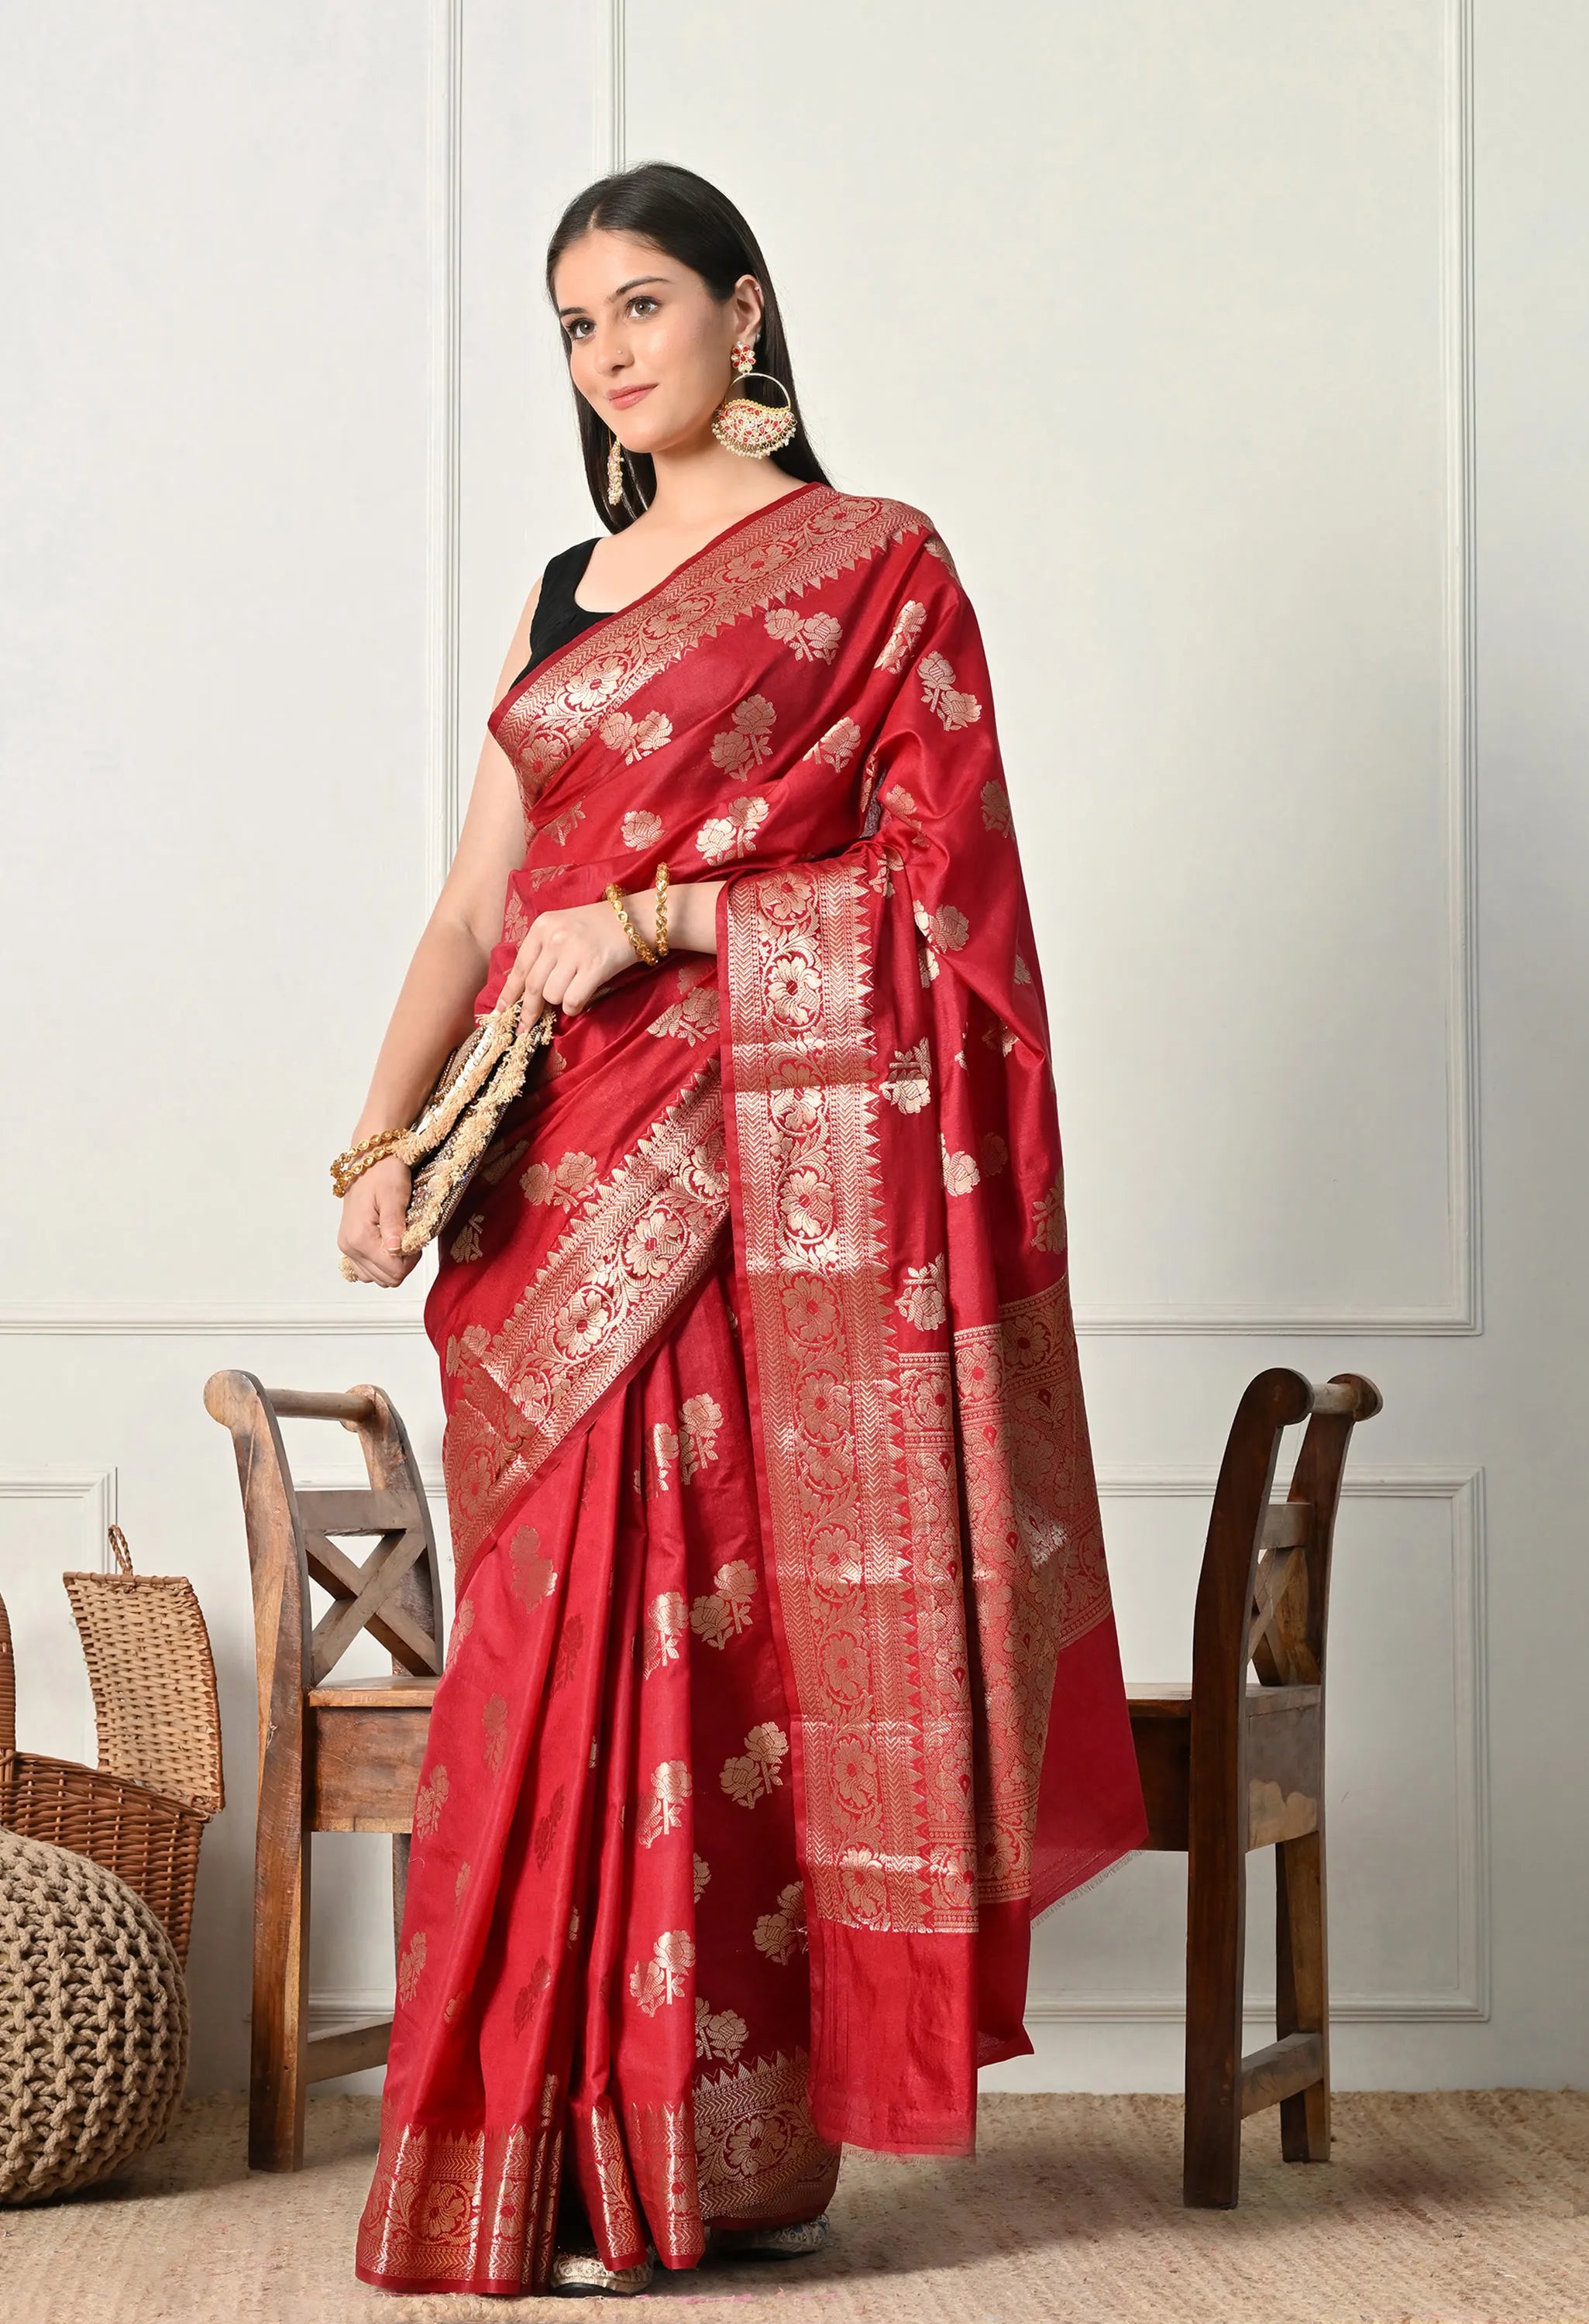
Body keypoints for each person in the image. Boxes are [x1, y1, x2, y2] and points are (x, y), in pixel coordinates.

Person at [340, 160, 1150, 2300]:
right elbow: (465, 910)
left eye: (639, 308)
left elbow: (940, 906)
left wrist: (674, 916)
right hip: (543, 1178)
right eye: (574, 327)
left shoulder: (871, 570)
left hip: (744, 1178)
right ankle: (526, 2163)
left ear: (743, 311)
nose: (610, 357)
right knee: (535, 1662)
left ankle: (676, 2163)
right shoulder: (560, 590)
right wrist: (373, 1138)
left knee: (706, 1658)